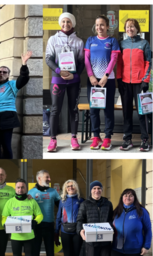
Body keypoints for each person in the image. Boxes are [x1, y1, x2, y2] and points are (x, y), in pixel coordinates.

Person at [45, 12, 85, 152]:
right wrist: (58, 71)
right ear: (60, 23)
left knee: (73, 109)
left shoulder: (79, 41)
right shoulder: (53, 39)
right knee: (55, 109)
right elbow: (48, 59)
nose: (66, 24)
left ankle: (74, 138)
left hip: (73, 81)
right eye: (63, 22)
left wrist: (75, 76)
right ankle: (53, 140)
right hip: (58, 80)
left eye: (68, 22)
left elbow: (81, 62)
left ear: (72, 23)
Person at [1, 178, 43, 256]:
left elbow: (40, 215)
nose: (20, 189)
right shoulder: (10, 202)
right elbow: (4, 216)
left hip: (29, 236)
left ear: (26, 189)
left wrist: (35, 221)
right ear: (15, 188)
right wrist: (5, 224)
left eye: (22, 187)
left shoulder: (31, 201)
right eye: (18, 187)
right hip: (15, 237)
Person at [116, 18, 153, 152]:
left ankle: (145, 140)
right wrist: (119, 80)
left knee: (142, 112)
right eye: (127, 27)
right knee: (126, 113)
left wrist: (145, 80)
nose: (129, 29)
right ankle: (127, 139)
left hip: (140, 83)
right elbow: (119, 63)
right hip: (125, 83)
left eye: (132, 27)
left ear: (137, 29)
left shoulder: (144, 43)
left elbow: (148, 63)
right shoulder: (122, 44)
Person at [84, 16, 120, 150]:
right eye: (97, 25)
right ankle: (96, 137)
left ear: (108, 26)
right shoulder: (90, 40)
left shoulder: (112, 41)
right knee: (93, 110)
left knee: (108, 109)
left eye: (102, 25)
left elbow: (113, 59)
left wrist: (105, 76)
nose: (99, 28)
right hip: (92, 80)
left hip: (108, 80)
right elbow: (86, 59)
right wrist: (91, 76)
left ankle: (108, 137)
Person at [0, 51, 32, 158]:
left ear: (8, 75)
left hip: (7, 116)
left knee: (6, 145)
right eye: (0, 71)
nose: (2, 73)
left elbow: (24, 79)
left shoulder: (12, 84)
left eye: (4, 72)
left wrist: (24, 64)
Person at [76, 180, 114, 256]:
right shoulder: (85, 204)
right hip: (91, 241)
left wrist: (112, 230)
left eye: (99, 188)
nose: (97, 190)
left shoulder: (108, 204)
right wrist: (80, 231)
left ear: (102, 190)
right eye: (94, 188)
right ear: (91, 190)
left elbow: (112, 220)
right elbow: (80, 220)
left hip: (105, 241)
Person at [28, 170, 61, 256]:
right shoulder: (30, 193)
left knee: (50, 255)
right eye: (47, 177)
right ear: (39, 178)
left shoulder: (53, 192)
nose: (49, 179)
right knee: (35, 255)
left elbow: (61, 208)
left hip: (49, 226)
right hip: (35, 227)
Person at [54, 179, 84, 256]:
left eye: (72, 186)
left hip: (77, 233)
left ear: (76, 187)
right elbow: (58, 217)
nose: (70, 188)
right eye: (68, 186)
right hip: (65, 232)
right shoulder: (62, 201)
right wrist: (56, 233)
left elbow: (84, 217)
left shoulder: (81, 200)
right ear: (65, 189)